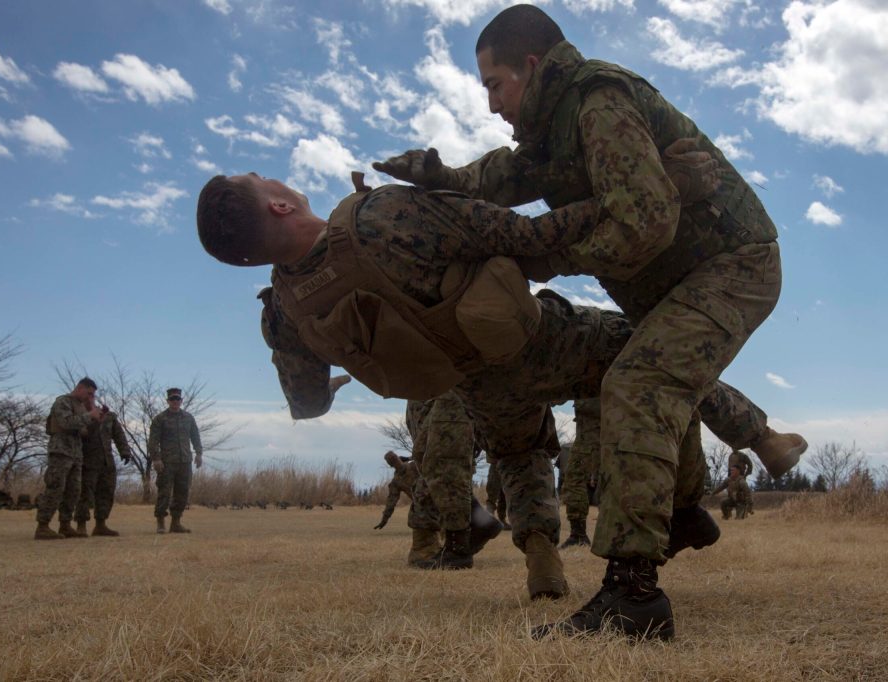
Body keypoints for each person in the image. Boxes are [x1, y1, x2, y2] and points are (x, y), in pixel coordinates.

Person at [372, 4, 808, 640]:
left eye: (494, 84)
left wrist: (542, 253)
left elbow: (644, 223)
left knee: (638, 383)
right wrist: (441, 177)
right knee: (645, 374)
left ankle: (633, 598)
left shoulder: (596, 103)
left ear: (531, 65)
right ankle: (683, 513)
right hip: (678, 282)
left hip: (730, 263)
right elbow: (497, 174)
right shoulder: (550, 132)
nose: (492, 103)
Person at [196, 147, 739, 606]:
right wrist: (659, 188)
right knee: (652, 356)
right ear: (280, 203)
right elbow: (524, 236)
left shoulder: (283, 312)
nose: (272, 177)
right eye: (261, 178)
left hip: (469, 380)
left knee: (519, 449)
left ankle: (542, 557)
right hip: (538, 341)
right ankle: (703, 487)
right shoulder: (381, 215)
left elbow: (308, 401)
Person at [405, 393, 502, 569]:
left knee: (438, 462)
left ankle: (430, 544)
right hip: (427, 387)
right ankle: (480, 520)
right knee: (430, 459)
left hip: (445, 387)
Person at [35, 378, 103, 540]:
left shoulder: (81, 407)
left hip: (76, 453)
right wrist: (89, 415)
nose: (90, 397)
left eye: (93, 395)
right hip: (61, 451)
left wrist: (94, 416)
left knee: (73, 490)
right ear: (79, 388)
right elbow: (66, 423)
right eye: (89, 393)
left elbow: (85, 433)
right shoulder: (63, 402)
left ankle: (65, 524)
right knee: (55, 487)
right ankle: (43, 526)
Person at [374, 450, 444, 565]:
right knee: (423, 526)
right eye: (391, 461)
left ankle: (447, 550)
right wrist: (384, 519)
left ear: (398, 458)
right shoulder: (396, 482)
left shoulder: (415, 466)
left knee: (444, 526)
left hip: (436, 500)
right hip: (421, 508)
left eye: (395, 458)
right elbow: (391, 501)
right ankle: (432, 551)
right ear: (390, 465)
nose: (395, 461)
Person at [149, 388, 203, 534]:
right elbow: (153, 441)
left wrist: (199, 453)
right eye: (172, 399)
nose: (175, 401)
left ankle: (176, 523)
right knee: (164, 492)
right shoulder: (160, 419)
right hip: (166, 462)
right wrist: (156, 458)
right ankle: (161, 523)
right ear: (167, 401)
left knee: (182, 493)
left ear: (181, 401)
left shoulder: (188, 418)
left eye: (177, 399)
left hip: (185, 461)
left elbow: (195, 437)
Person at [73, 406, 132, 537]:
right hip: (87, 461)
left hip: (107, 461)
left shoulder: (110, 416)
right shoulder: (82, 415)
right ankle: (81, 525)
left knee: (107, 492)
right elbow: (79, 433)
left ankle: (101, 525)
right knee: (85, 493)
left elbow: (119, 435)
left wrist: (125, 451)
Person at [559, 399, 599, 548]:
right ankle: (578, 534)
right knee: (573, 479)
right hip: (588, 433)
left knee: (575, 479)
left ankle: (579, 534)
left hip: (594, 434)